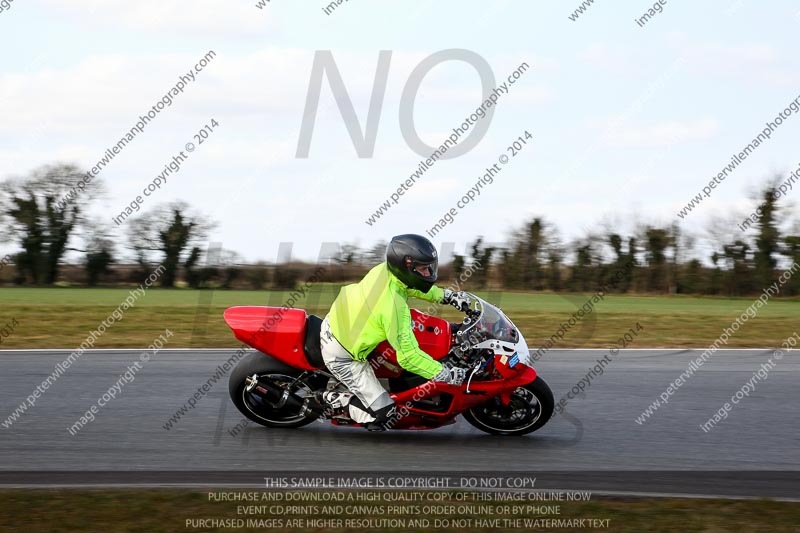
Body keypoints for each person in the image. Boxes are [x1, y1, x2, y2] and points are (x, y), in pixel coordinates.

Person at [320, 234, 471, 431]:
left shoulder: (386, 271)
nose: (429, 273)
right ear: (406, 267)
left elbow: (412, 287)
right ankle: (333, 400)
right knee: (386, 412)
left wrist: (447, 296)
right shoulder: (393, 307)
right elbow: (408, 358)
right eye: (423, 268)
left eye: (429, 267)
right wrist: (445, 374)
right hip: (342, 355)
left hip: (340, 321)